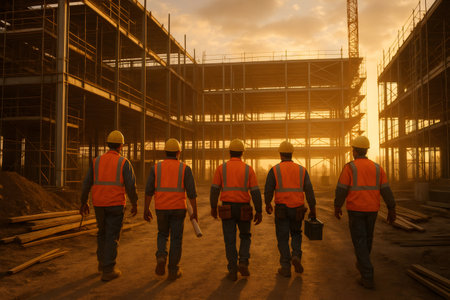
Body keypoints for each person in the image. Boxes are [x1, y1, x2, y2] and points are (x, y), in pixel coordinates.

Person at [334, 135, 396, 289]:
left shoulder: (350, 167)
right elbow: (386, 190)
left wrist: (337, 206)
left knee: (360, 242)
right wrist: (391, 207)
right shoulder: (377, 168)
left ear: (354, 151)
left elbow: (341, 190)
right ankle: (363, 264)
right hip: (372, 210)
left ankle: (367, 276)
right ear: (366, 150)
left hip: (356, 210)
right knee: (367, 240)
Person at [79, 130, 138, 281]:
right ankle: (108, 269)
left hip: (99, 204)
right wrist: (135, 203)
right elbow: (131, 186)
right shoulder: (124, 162)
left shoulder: (96, 161)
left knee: (102, 233)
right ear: (121, 145)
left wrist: (84, 201)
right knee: (112, 236)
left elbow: (86, 183)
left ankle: (101, 263)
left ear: (107, 145)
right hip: (115, 204)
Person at [144, 138, 198, 280]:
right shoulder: (185, 168)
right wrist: (195, 212)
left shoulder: (156, 168)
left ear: (165, 152)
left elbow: (148, 190)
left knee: (162, 234)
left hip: (161, 207)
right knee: (176, 238)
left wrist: (146, 209)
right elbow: (192, 193)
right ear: (178, 152)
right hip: (178, 208)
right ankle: (173, 270)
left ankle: (161, 256)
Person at [210, 139, 262, 281]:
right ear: (242, 153)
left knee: (230, 240)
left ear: (229, 152)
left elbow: (214, 190)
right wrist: (259, 210)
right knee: (245, 236)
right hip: (244, 207)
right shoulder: (248, 169)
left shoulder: (221, 168)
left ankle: (232, 270)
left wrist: (213, 207)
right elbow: (256, 191)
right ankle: (243, 262)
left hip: (227, 207)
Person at [264, 141, 317, 277]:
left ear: (280, 154)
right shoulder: (301, 170)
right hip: (298, 208)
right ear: (292, 153)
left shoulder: (274, 170)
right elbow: (309, 190)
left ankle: (286, 267)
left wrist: (267, 203)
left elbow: (268, 189)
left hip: (282, 208)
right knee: (296, 233)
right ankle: (297, 256)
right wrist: (312, 208)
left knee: (282, 238)